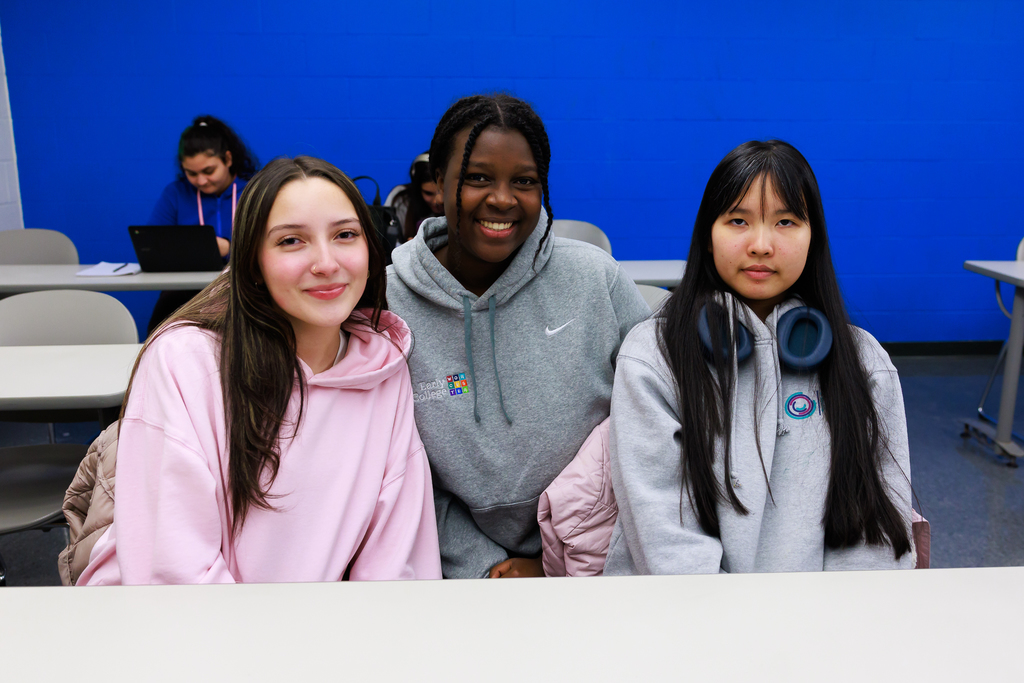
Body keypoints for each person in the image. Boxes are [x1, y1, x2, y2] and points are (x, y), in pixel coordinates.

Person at [79, 156, 441, 584]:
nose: (326, 262)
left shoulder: (383, 365)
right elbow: (174, 568)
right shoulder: (186, 361)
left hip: (317, 636)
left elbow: (396, 557)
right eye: (291, 241)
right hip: (187, 633)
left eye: (345, 234)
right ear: (252, 262)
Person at [605, 140, 915, 575]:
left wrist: (843, 628)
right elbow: (665, 538)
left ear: (814, 239)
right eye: (738, 220)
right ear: (708, 237)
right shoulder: (654, 356)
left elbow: (877, 529)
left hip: (827, 630)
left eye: (786, 221)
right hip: (687, 624)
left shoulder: (863, 362)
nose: (762, 245)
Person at [386, 93, 651, 579]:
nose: (503, 198)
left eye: (524, 181)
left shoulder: (596, 279)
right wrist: (488, 567)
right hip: (463, 574)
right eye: (478, 177)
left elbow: (659, 416)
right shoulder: (390, 302)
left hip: (601, 559)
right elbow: (401, 471)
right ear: (437, 182)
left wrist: (568, 563)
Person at [146, 115, 259, 335]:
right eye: (192, 173)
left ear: (227, 159)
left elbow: (271, 242)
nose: (201, 181)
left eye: (208, 171)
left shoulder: (254, 190)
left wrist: (229, 247)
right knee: (158, 334)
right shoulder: (176, 193)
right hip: (184, 293)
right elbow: (153, 243)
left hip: (244, 291)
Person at [391, 152, 444, 241]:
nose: (437, 201)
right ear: (417, 188)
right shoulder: (402, 200)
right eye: (428, 193)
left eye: (444, 193)